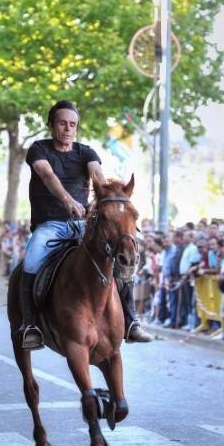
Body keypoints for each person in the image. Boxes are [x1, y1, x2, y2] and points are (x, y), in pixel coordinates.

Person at [18, 100, 152, 350]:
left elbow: (97, 176)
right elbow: (47, 176)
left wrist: (108, 196)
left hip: (82, 224)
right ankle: (30, 325)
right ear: (51, 125)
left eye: (73, 124)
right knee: (32, 262)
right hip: (49, 226)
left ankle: (131, 321)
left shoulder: (86, 152)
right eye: (62, 123)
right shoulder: (38, 149)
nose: (68, 129)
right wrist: (68, 200)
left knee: (115, 257)